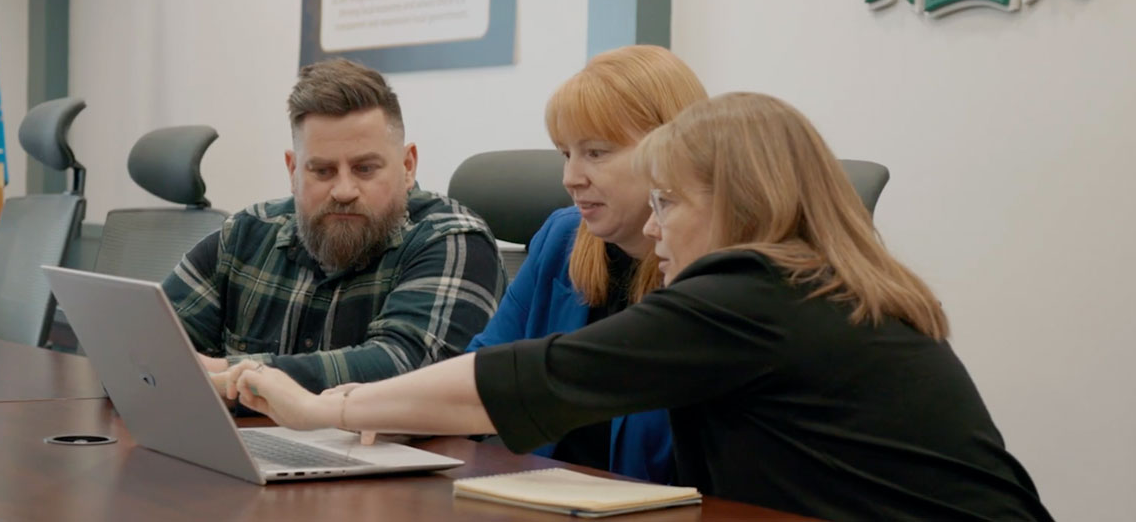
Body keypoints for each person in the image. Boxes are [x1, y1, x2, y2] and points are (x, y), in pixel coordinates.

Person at [221, 92, 1054, 521]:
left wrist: (320, 406)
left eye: (667, 204)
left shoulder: (750, 296)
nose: (653, 231)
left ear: (732, 198)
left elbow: (528, 376)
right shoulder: (823, 284)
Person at [161, 58, 506, 395]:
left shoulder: (453, 240)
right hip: (248, 447)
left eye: (365, 169)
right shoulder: (244, 234)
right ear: (293, 170)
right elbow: (149, 347)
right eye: (322, 171)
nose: (343, 191)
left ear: (407, 165)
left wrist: (231, 375)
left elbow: (404, 367)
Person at [463, 45, 706, 482]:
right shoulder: (562, 238)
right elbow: (481, 373)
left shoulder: (711, 272)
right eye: (565, 153)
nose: (570, 178)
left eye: (596, 153)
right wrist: (360, 407)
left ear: (670, 151)